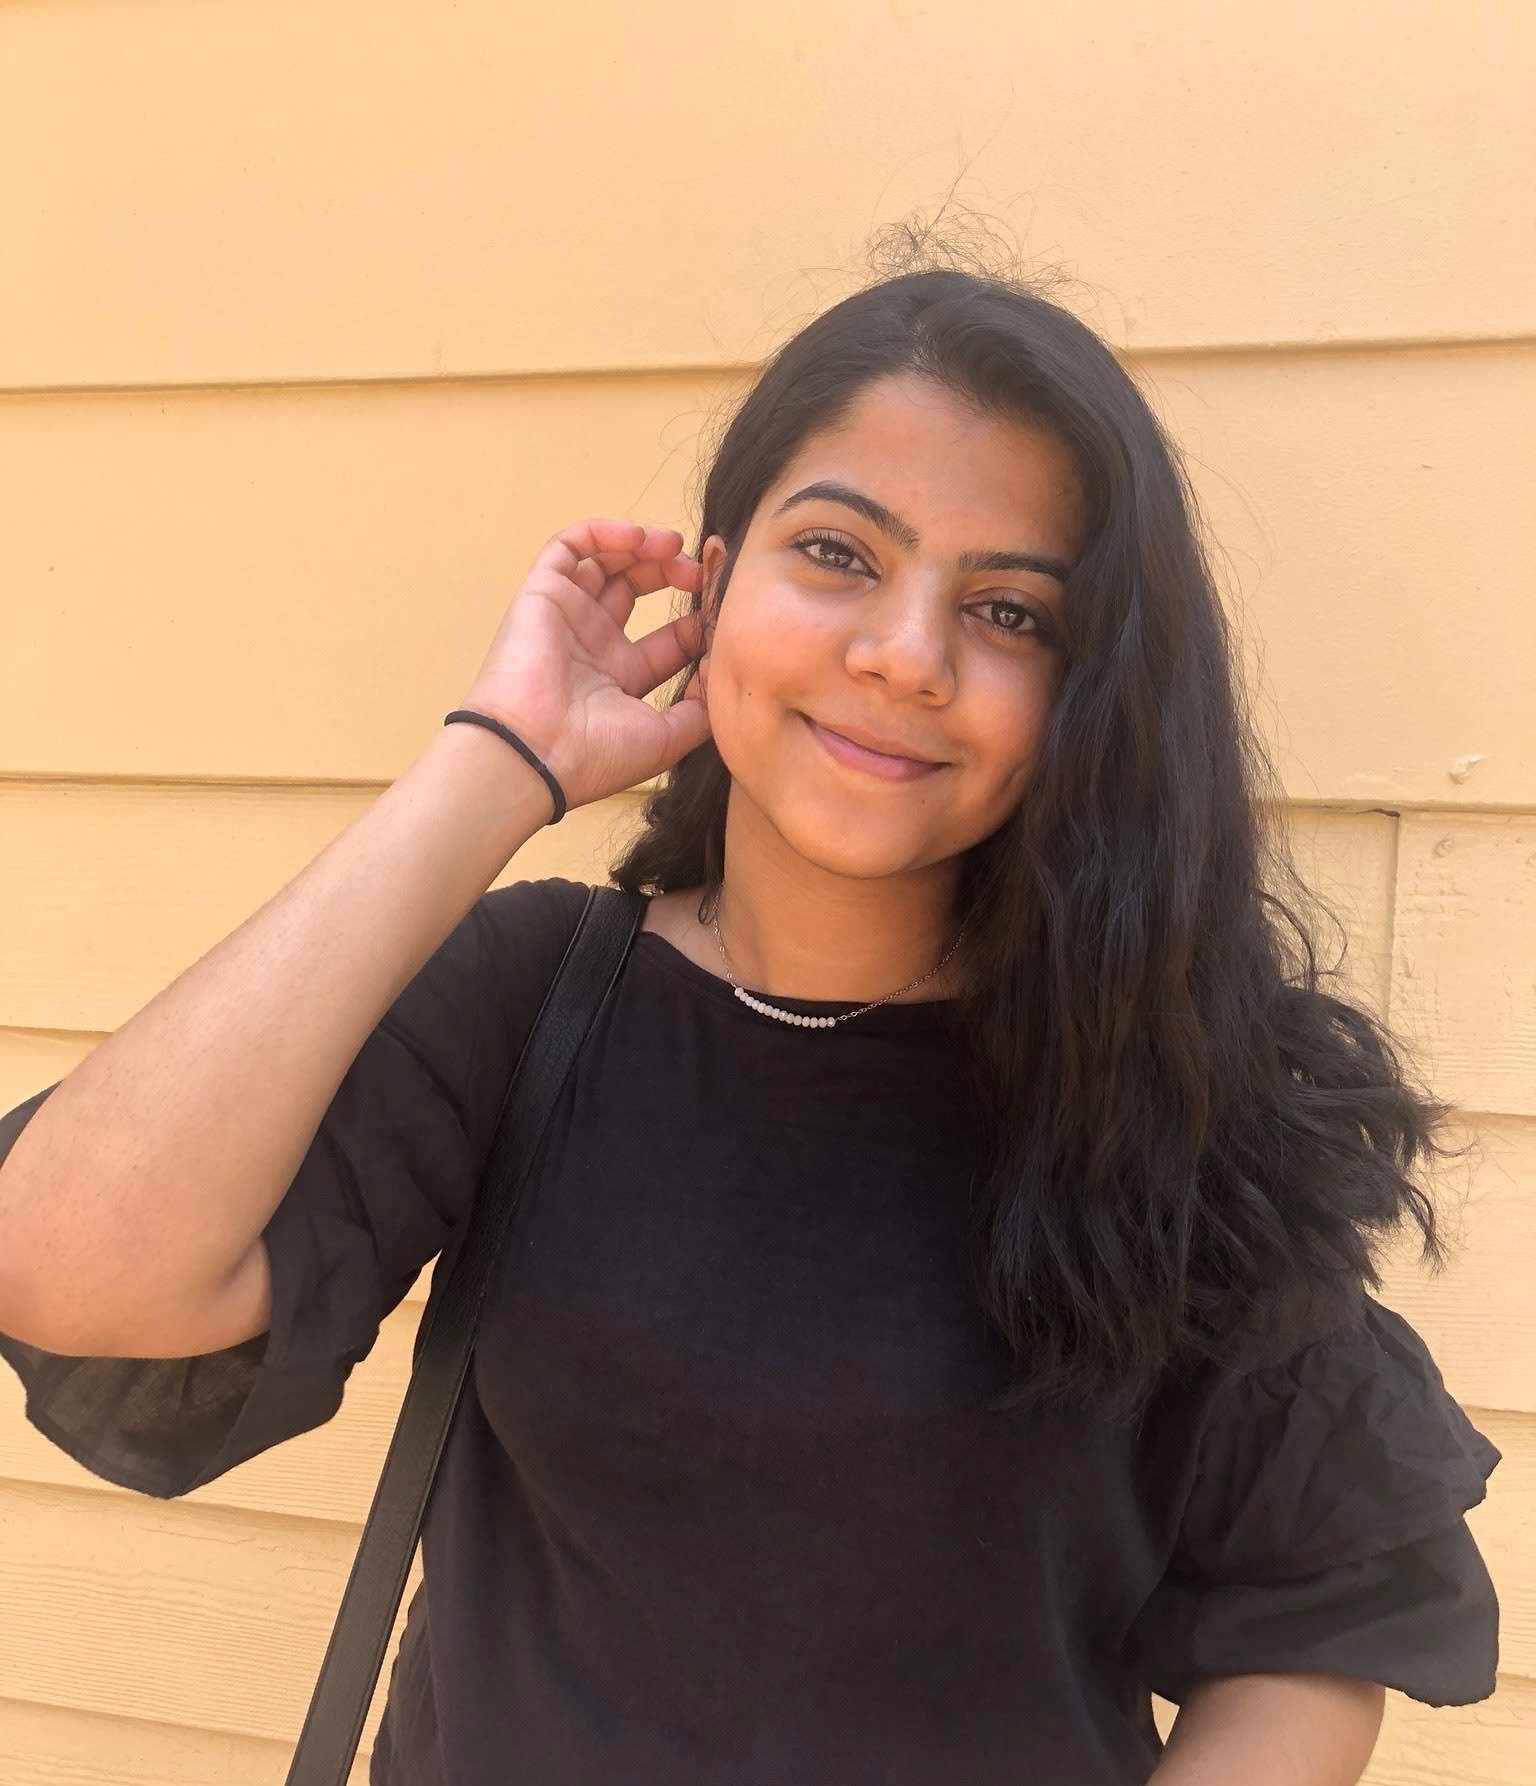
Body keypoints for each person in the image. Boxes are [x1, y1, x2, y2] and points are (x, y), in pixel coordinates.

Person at [0, 265, 1501, 1786]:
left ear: (1084, 691)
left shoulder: (1163, 1077)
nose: (907, 653)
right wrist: (497, 762)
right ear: (712, 590)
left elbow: (1314, 1618)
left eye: (1006, 608)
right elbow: (71, 1267)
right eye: (840, 553)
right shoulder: (537, 996)